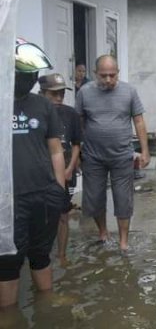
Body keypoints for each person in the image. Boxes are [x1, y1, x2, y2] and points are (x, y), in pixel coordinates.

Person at [0, 40, 67, 307]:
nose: (28, 79)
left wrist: (60, 189)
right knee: (8, 262)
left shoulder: (43, 105)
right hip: (8, 200)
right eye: (22, 74)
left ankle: (46, 306)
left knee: (41, 254)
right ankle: (9, 317)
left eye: (31, 74)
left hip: (44, 194)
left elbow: (55, 150)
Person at [75, 55, 150, 251]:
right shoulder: (84, 92)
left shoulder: (129, 92)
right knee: (94, 198)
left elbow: (139, 121)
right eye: (103, 76)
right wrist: (78, 150)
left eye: (112, 75)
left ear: (118, 73)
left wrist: (145, 150)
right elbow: (79, 122)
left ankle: (123, 241)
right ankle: (103, 232)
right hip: (93, 157)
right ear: (95, 74)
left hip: (122, 156)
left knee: (123, 199)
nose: (108, 80)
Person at [38, 73, 82, 264]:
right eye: (53, 94)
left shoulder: (70, 114)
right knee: (40, 216)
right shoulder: (35, 113)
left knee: (63, 214)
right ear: (42, 93)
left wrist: (70, 167)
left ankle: (62, 255)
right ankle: (40, 256)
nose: (58, 98)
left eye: (61, 94)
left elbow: (76, 144)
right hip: (40, 174)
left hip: (66, 173)